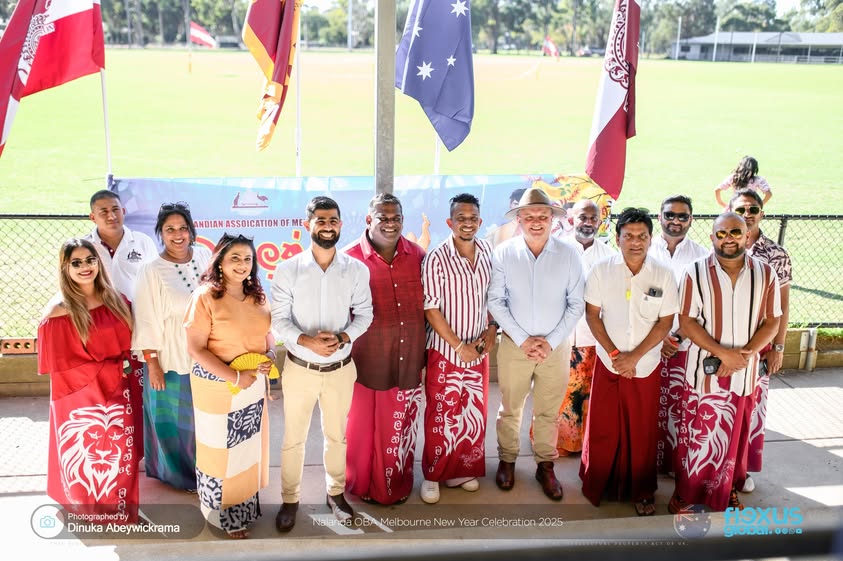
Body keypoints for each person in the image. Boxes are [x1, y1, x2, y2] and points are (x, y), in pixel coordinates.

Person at [270, 196, 373, 531]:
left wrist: (343, 339)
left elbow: (366, 315)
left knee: (337, 436)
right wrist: (306, 340)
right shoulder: (288, 270)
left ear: (341, 225)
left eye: (333, 221)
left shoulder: (356, 269)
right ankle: (290, 499)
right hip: (300, 367)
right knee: (293, 439)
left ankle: (336, 492)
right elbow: (279, 320)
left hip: (341, 369)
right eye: (321, 220)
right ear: (307, 224)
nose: (327, 226)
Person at [670, 212, 781, 512]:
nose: (728, 238)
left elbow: (772, 320)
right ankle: (685, 494)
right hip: (702, 374)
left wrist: (742, 356)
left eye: (735, 232)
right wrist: (723, 353)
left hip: (743, 375)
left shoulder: (766, 274)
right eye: (722, 233)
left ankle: (725, 491)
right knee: (697, 438)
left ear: (747, 236)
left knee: (730, 441)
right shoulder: (694, 272)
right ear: (712, 237)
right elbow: (687, 321)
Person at [579, 207, 678, 516]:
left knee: (642, 431)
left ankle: (642, 491)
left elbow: (665, 321)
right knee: (604, 427)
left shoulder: (663, 273)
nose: (636, 242)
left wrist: (634, 356)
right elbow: (592, 315)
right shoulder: (601, 270)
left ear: (650, 239)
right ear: (618, 238)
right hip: (610, 363)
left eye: (642, 236)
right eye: (629, 236)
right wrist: (614, 354)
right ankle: (598, 483)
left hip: (645, 366)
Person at [487, 187, 584, 501]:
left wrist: (550, 341)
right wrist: (523, 338)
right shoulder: (504, 253)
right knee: (510, 408)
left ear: (552, 220)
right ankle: (507, 459)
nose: (536, 221)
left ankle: (545, 463)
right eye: (529, 216)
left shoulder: (568, 253)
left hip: (555, 348)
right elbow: (496, 301)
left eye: (543, 216)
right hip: (516, 346)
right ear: (519, 219)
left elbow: (576, 304)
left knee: (548, 411)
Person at [37, 238, 140, 523]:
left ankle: (119, 511)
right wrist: (111, 371)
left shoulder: (116, 299)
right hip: (82, 401)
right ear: (65, 267)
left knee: (121, 455)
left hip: (122, 392)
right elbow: (62, 368)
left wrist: (126, 373)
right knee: (88, 456)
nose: (85, 267)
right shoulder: (60, 311)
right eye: (77, 262)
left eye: (90, 260)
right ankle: (91, 511)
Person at [184, 233, 275, 539]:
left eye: (247, 259)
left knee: (246, 451)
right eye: (234, 258)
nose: (242, 264)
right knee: (219, 453)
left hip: (251, 385)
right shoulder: (205, 297)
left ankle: (244, 511)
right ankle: (220, 515)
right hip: (218, 386)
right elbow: (196, 349)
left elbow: (268, 335)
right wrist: (235, 377)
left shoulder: (258, 296)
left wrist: (270, 356)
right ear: (220, 261)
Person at [345, 193, 426, 505]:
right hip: (366, 362)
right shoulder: (350, 259)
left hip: (407, 360)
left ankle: (394, 485)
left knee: (399, 428)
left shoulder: (417, 256)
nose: (390, 224)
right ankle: (361, 485)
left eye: (396, 218)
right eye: (383, 218)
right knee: (362, 430)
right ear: (369, 220)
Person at [419, 193, 497, 504]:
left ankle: (462, 469)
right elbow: (430, 308)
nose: (467, 223)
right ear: (450, 222)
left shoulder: (488, 250)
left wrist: (492, 330)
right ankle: (433, 475)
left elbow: (493, 298)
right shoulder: (437, 257)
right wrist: (457, 345)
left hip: (478, 349)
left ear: (480, 221)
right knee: (441, 413)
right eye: (461, 219)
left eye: (473, 218)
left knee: (471, 412)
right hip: (446, 350)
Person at [132, 202, 211, 491]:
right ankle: (182, 478)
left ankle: (208, 473)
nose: (177, 235)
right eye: (170, 230)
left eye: (182, 228)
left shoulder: (204, 256)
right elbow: (146, 319)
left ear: (191, 230)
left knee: (204, 420)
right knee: (176, 425)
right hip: (171, 358)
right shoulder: (151, 271)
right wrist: (152, 363)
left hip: (206, 357)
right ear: (160, 234)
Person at [532, 198, 616, 457]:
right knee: (555, 390)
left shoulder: (610, 256)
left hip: (592, 337)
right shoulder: (554, 250)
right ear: (571, 220)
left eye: (593, 219)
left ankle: (580, 444)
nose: (588, 223)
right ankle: (549, 442)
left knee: (585, 394)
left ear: (600, 223)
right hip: (559, 336)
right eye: (583, 218)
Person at [728, 188, 792, 493]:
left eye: (752, 209)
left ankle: (741, 470)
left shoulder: (776, 255)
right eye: (740, 210)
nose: (747, 215)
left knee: (751, 410)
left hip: (759, 348)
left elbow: (783, 305)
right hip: (723, 345)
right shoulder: (719, 247)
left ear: (762, 213)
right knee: (721, 409)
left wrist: (778, 347)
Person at [648, 195, 710, 476]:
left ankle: (675, 463)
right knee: (649, 405)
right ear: (659, 217)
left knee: (681, 407)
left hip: (685, 346)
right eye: (669, 215)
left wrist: (676, 339)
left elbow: (704, 306)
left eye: (682, 216)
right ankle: (648, 459)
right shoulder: (644, 250)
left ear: (691, 220)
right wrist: (658, 338)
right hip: (647, 344)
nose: (675, 221)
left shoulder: (703, 256)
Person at [85, 190, 157, 302]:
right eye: (104, 212)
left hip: (138, 313)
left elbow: (156, 280)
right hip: (98, 314)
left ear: (123, 211)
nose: (111, 216)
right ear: (93, 217)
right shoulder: (84, 247)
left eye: (115, 210)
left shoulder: (142, 241)